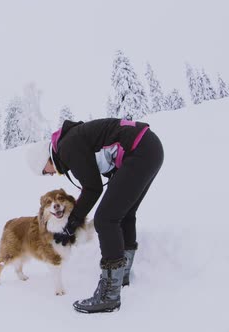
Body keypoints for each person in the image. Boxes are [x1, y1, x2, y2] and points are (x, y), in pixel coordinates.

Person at [25, 118, 164, 313]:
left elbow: (93, 188)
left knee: (105, 219)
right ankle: (120, 275)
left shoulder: (67, 147)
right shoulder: (70, 141)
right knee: (123, 213)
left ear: (45, 160)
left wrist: (72, 222)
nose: (49, 175)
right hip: (149, 148)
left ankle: (109, 294)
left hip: (140, 151)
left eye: (44, 172)